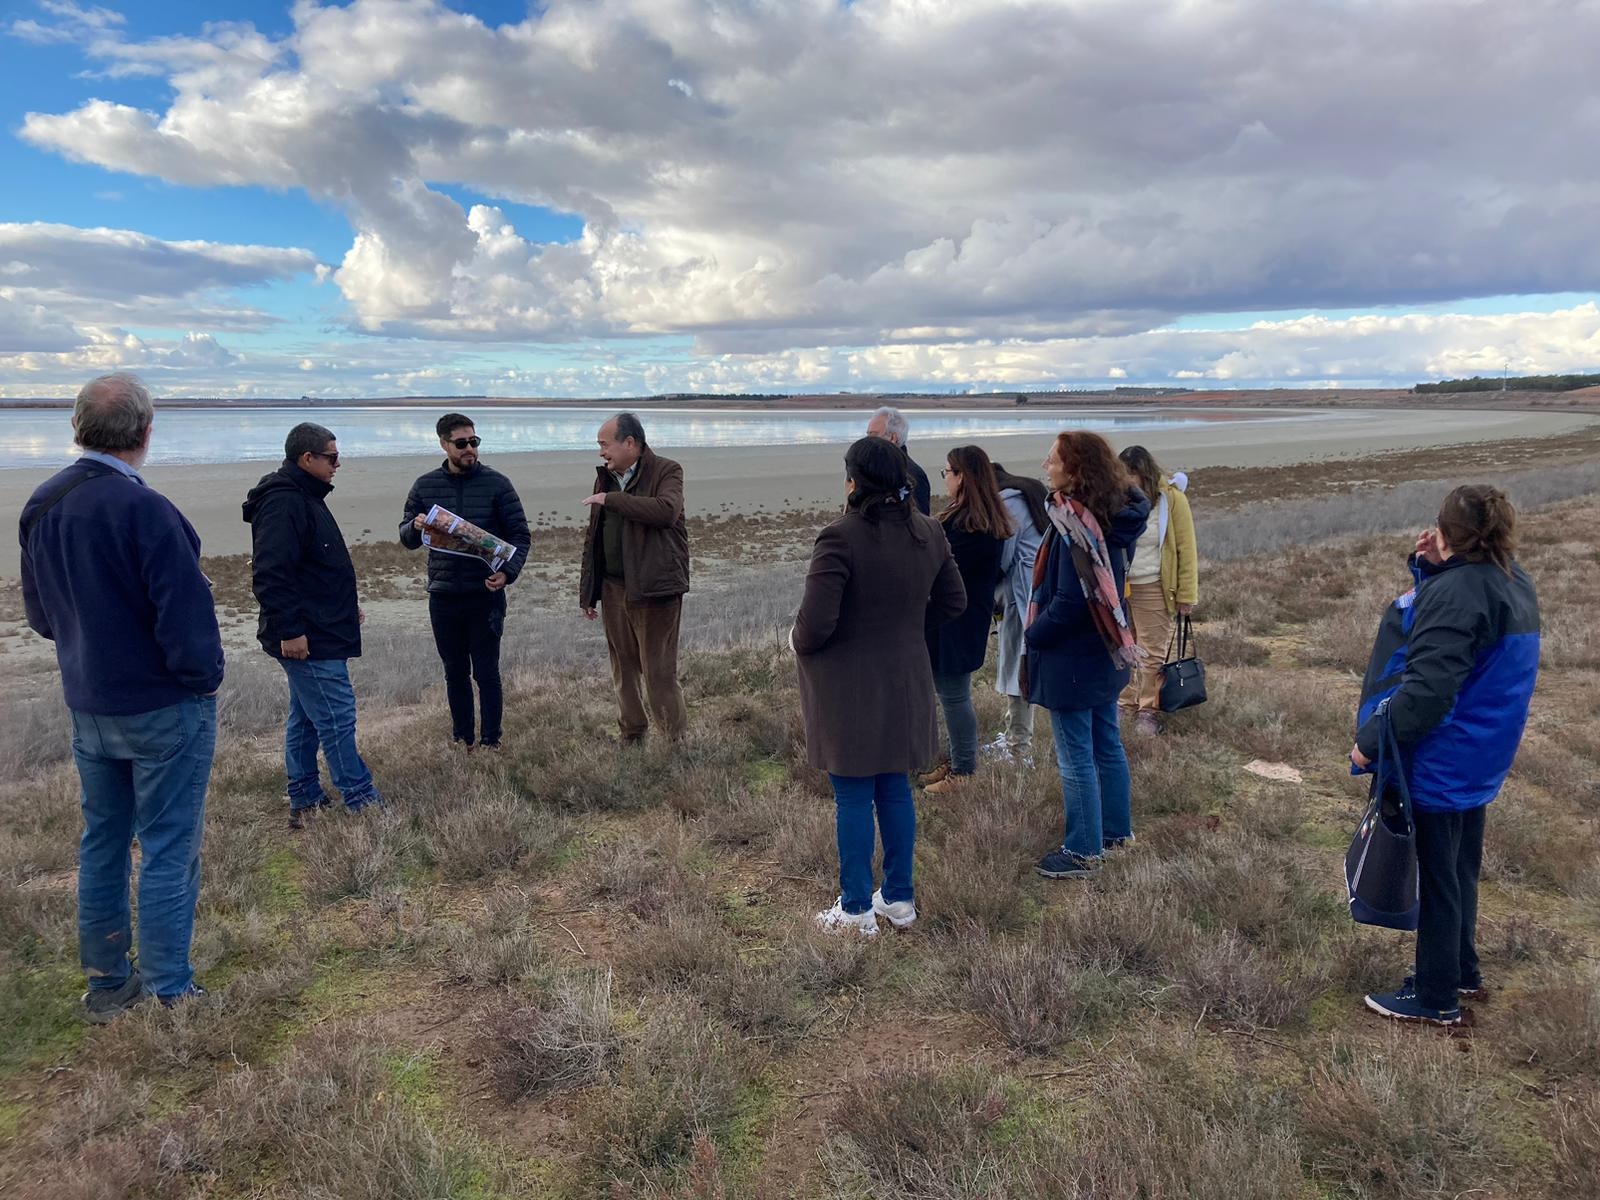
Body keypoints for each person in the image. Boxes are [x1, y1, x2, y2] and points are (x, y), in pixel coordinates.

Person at [20, 374, 222, 1020]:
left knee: (102, 841)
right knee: (168, 845)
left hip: (90, 702)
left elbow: (43, 617)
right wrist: (202, 679)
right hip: (162, 705)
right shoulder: (146, 510)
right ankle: (169, 990)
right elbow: (186, 621)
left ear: (78, 428)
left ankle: (107, 983)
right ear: (143, 432)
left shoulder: (43, 504)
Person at [1353, 485, 1540, 1026]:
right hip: (1483, 754)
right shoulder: (1511, 578)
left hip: (1446, 757)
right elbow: (1460, 640)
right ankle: (1461, 970)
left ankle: (1436, 997)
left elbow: (1427, 693)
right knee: (1460, 869)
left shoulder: (1459, 593)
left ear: (1449, 531)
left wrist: (1370, 745)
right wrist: (1431, 568)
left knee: (1438, 876)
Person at [793, 437, 966, 934]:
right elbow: (954, 602)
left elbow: (814, 627)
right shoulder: (928, 531)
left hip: (849, 688)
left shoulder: (839, 537)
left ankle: (854, 909)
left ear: (853, 482)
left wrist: (793, 639)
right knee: (894, 788)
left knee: (851, 796)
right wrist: (907, 627)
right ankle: (898, 899)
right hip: (905, 679)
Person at [243, 422, 384, 829]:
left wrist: (344, 608)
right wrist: (290, 630)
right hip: (306, 636)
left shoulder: (305, 495)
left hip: (322, 625)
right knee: (337, 716)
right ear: (307, 458)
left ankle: (305, 798)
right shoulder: (284, 502)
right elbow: (271, 573)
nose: (338, 465)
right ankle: (360, 800)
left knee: (306, 717)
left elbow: (315, 566)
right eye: (332, 457)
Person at [1025, 431, 1150, 878]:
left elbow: (1070, 601)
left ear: (1075, 471)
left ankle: (1082, 851)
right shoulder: (1112, 516)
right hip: (1107, 650)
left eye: (1054, 459)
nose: (1045, 466)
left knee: (1077, 755)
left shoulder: (1077, 526)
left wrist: (1033, 634)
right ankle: (1115, 833)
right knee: (1107, 745)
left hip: (1073, 659)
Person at [400, 413, 531, 752]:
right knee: (454, 672)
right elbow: (407, 538)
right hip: (443, 596)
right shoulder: (424, 486)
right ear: (444, 444)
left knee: (486, 673)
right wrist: (414, 527)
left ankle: (491, 742)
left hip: (484, 595)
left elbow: (520, 535)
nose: (470, 448)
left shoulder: (497, 484)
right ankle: (463, 741)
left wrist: (508, 572)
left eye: (474, 441)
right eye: (461, 443)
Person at [578, 413, 690, 742]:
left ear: (630, 443)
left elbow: (665, 512)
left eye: (604, 444)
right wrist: (588, 592)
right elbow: (594, 537)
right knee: (623, 668)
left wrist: (613, 500)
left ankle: (673, 742)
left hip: (656, 590)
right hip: (613, 588)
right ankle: (632, 734)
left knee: (658, 672)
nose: (601, 452)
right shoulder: (606, 477)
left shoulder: (667, 470)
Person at [921, 445, 1013, 795]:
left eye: (948, 472)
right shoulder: (968, 516)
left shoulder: (974, 525)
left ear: (964, 477)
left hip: (958, 622)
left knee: (955, 695)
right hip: (953, 619)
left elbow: (940, 566)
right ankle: (957, 759)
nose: (945, 478)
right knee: (947, 693)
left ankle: (964, 771)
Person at [1117, 445, 1199, 736]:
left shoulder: (1172, 500)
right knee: (1123, 647)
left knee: (1152, 651)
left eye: (1130, 474)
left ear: (1143, 473)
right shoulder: (1119, 501)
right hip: (1121, 587)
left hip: (1154, 585)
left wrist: (1187, 595)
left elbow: (1185, 549)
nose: (1125, 480)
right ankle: (1124, 702)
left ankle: (1148, 709)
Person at [986, 461, 1049, 766]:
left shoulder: (1007, 503)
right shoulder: (1032, 493)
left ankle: (1018, 747)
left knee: (1017, 671)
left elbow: (1005, 555)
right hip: (1037, 592)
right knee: (1021, 667)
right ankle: (1015, 738)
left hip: (1019, 594)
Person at [866, 406, 931, 515]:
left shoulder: (912, 475)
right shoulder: (872, 468)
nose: (867, 442)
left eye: (873, 436)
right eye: (867, 435)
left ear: (893, 438)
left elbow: (921, 523)